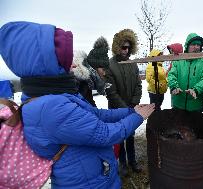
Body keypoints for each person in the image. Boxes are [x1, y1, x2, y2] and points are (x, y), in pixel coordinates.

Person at [0, 21, 155, 189]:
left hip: (92, 175)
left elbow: (97, 114)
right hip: (87, 182)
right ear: (46, 66)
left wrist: (131, 110)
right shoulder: (53, 108)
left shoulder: (55, 96)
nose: (74, 65)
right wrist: (138, 117)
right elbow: (105, 134)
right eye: (64, 61)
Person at [104, 29, 143, 176]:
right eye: (123, 47)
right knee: (120, 137)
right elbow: (111, 92)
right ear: (116, 47)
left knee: (131, 135)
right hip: (117, 109)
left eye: (128, 47)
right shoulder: (110, 65)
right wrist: (124, 108)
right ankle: (122, 164)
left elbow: (139, 85)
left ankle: (133, 162)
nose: (125, 50)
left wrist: (134, 103)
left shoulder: (132, 63)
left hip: (131, 106)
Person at [167, 33, 203, 112]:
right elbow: (171, 74)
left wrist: (196, 90)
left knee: (195, 124)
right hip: (178, 103)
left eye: (198, 45)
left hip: (196, 104)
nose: (196, 47)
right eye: (193, 44)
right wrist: (174, 86)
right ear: (187, 46)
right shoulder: (178, 60)